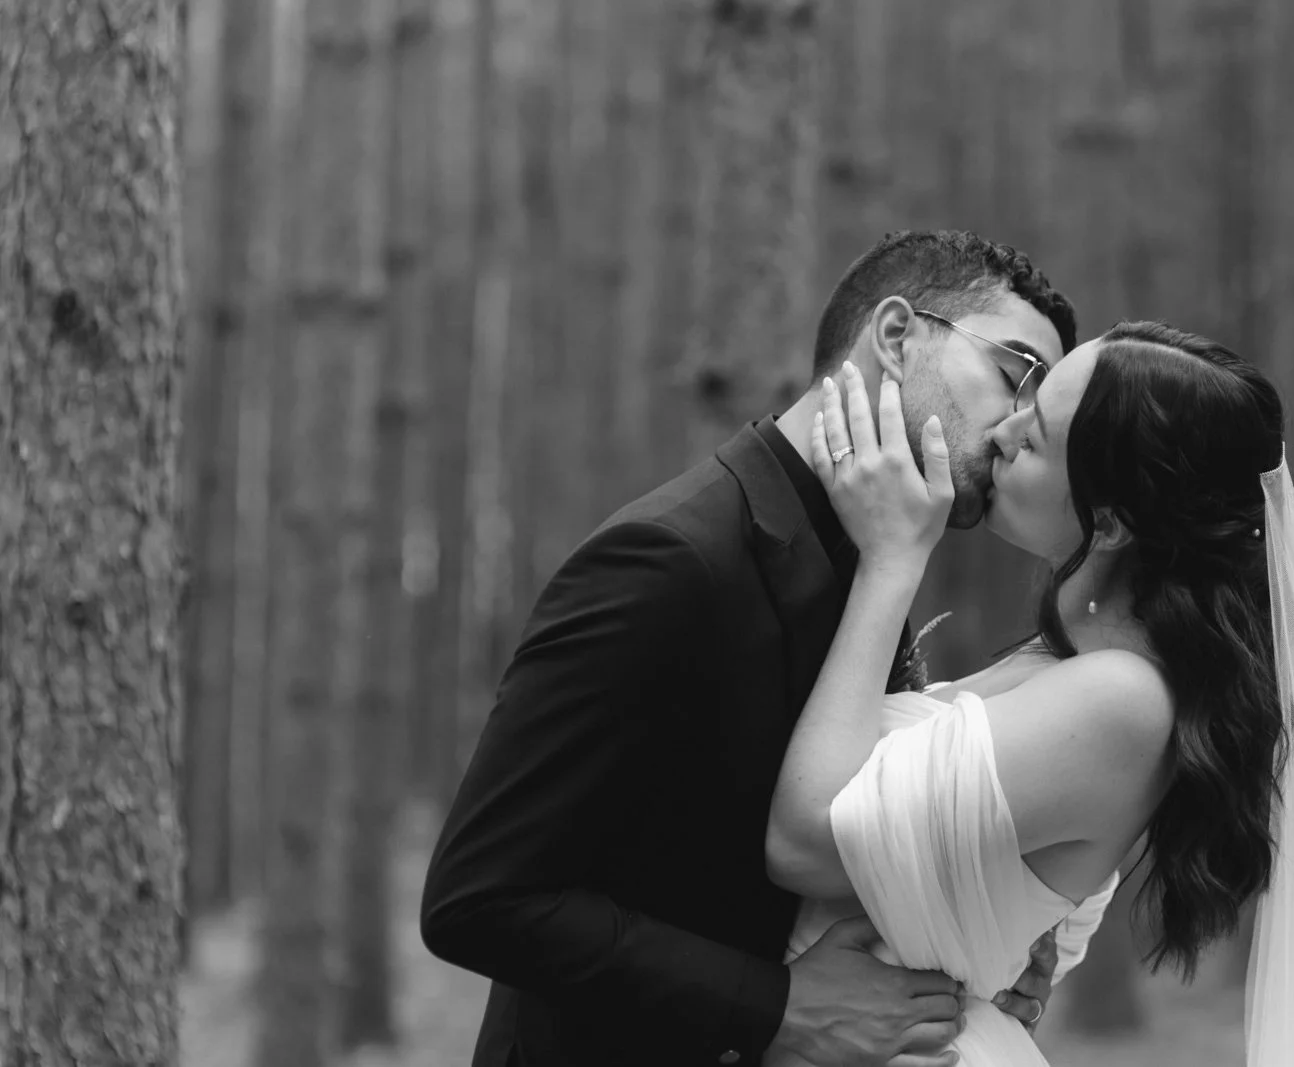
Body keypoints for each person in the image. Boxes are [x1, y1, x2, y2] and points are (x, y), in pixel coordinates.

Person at [419, 230, 1079, 1067]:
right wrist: (774, 1008)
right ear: (895, 334)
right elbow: (477, 897)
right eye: (1016, 373)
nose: (1021, 425)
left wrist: (983, 943)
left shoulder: (875, 558)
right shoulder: (667, 560)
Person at [765, 320, 1294, 1067]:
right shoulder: (1072, 664)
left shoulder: (1122, 702)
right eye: (1026, 395)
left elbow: (803, 841)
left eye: (1037, 436)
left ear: (1109, 523)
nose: (1003, 430)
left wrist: (890, 564)